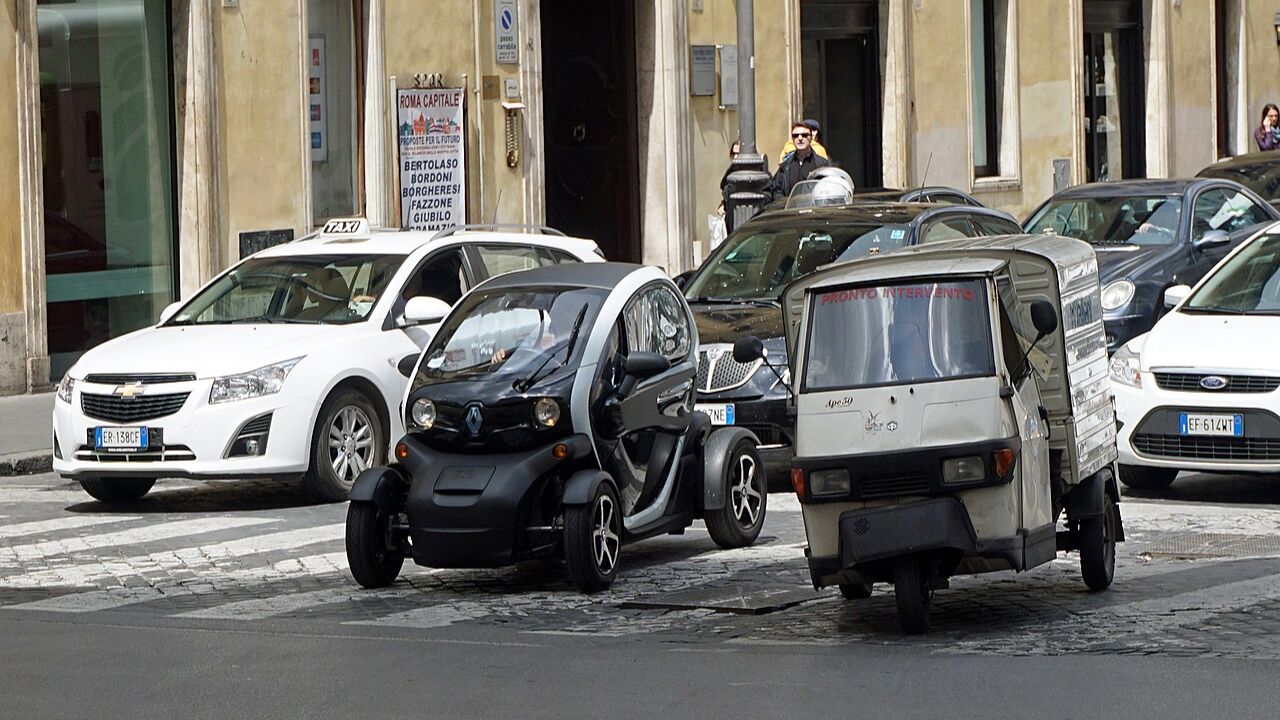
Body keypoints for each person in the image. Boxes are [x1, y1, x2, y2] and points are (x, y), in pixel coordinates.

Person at [766, 121, 831, 202]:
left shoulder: (823, 164)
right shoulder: (785, 166)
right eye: (795, 136)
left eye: (804, 135)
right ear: (792, 139)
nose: (800, 138)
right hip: (792, 212)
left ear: (811, 138)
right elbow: (777, 190)